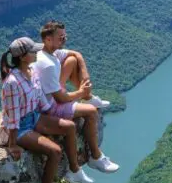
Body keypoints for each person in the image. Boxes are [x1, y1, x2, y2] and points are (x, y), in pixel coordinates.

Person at [0, 37, 92, 183]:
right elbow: (13, 116)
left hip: (35, 117)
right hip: (21, 127)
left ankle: (74, 170)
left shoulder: (32, 71)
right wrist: (13, 144)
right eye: (33, 51)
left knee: (69, 127)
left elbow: (40, 100)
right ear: (23, 57)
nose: (37, 52)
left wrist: (60, 111)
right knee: (55, 151)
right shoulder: (12, 82)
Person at [34, 20, 119, 173]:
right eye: (60, 37)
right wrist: (81, 92)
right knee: (91, 111)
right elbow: (60, 99)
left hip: (53, 94)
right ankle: (95, 157)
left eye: (65, 36)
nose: (64, 39)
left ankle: (89, 97)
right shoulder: (47, 64)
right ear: (48, 39)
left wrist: (85, 75)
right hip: (50, 106)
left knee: (72, 60)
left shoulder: (50, 52)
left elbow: (76, 54)